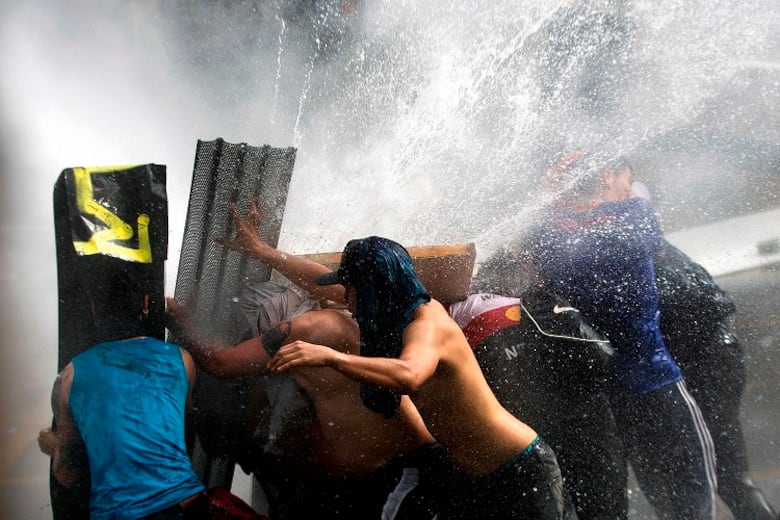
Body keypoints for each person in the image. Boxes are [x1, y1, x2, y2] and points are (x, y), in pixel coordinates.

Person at [217, 202, 575, 520]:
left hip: (521, 470)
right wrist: (263, 252)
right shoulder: (394, 307)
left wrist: (330, 356)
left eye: (353, 291)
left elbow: (409, 375)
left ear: (375, 289)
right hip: (472, 476)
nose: (347, 300)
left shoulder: (427, 324)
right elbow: (319, 283)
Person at [527, 152, 718, 520]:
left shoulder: (545, 233)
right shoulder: (636, 215)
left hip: (609, 397)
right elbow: (641, 238)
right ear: (604, 177)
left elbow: (543, 269)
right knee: (693, 500)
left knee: (654, 492)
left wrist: (554, 196)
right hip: (657, 382)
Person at [167, 280, 449, 520]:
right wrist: (263, 252)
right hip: (386, 472)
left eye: (253, 330)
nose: (251, 340)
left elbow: (221, 365)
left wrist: (180, 323)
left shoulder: (309, 330)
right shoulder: (338, 318)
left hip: (402, 472)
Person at [38, 272, 264, 520]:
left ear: (93, 309)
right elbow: (179, 429)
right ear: (145, 304)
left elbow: (67, 475)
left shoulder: (70, 375)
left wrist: (57, 446)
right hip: (184, 504)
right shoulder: (180, 358)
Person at [634, 182, 778, 520]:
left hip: (708, 365)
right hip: (714, 360)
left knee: (722, 477)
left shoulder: (649, 257)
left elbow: (699, 311)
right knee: (724, 477)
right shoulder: (653, 253)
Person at [465, 253, 628, 520]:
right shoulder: (546, 305)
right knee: (605, 508)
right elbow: (600, 362)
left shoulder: (472, 317)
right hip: (587, 432)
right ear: (523, 272)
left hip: (533, 442)